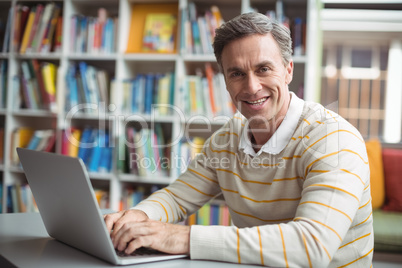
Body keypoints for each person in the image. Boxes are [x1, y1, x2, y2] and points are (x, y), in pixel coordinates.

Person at [104, 12, 373, 267]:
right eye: (236, 73)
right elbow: (175, 199)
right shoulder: (227, 138)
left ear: (289, 70)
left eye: (264, 69)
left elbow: (311, 246)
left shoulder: (334, 139)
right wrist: (136, 219)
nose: (252, 86)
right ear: (225, 81)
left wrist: (181, 237)